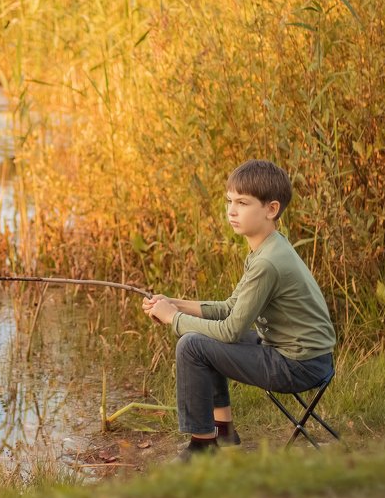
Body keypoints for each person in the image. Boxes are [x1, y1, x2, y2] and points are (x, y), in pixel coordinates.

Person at [143, 159, 336, 461]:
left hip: (298, 366)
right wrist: (175, 303)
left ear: (271, 209)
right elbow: (232, 308)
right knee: (205, 341)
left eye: (243, 203)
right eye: (229, 201)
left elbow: (231, 329)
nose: (231, 211)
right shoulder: (269, 247)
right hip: (308, 359)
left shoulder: (267, 262)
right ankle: (224, 432)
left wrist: (173, 319)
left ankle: (202, 446)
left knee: (192, 345)